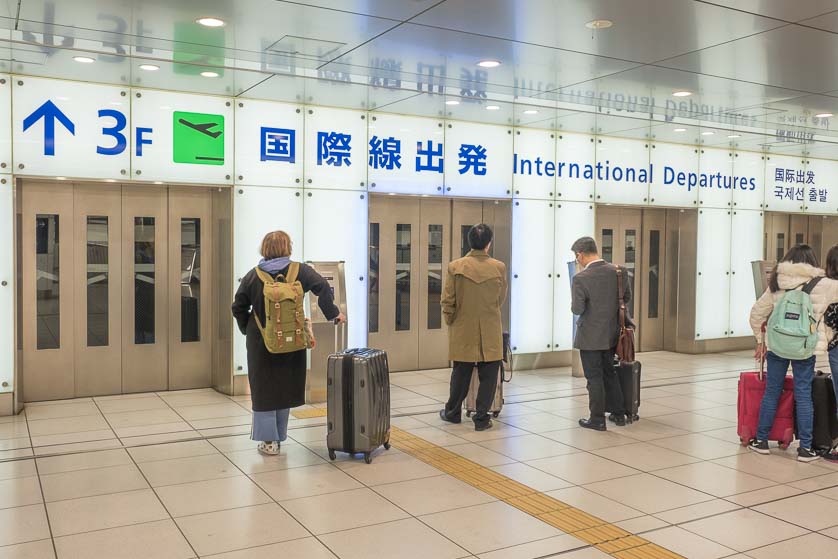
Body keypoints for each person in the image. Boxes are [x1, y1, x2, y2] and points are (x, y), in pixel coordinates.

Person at [232, 231, 345, 455]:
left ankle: (268, 442)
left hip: (261, 341)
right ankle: (280, 436)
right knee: (284, 384)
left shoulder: (253, 276)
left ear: (264, 249)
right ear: (288, 248)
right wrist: (333, 313)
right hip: (292, 338)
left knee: (264, 388)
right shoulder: (299, 271)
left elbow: (238, 307)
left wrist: (249, 329)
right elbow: (322, 286)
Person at [749, 244, 838, 462]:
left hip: (777, 345)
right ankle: (805, 449)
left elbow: (757, 314)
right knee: (803, 395)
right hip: (805, 348)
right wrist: (826, 336)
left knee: (772, 391)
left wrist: (761, 341)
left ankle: (761, 441)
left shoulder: (777, 281)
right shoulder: (824, 284)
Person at [438, 224, 508, 431]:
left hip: (463, 326)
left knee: (461, 372)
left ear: (468, 242)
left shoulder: (455, 266)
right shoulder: (499, 267)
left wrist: (451, 320)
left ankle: (452, 412)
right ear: (489, 243)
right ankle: (481, 418)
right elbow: (500, 298)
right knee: (489, 373)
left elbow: (447, 300)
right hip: (490, 326)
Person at [570, 236, 629, 431]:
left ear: (580, 255)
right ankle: (619, 413)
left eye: (576, 256)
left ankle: (596, 418)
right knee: (609, 372)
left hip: (590, 337)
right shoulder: (619, 272)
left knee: (594, 377)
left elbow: (577, 309)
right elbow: (625, 298)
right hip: (612, 334)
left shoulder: (580, 278)